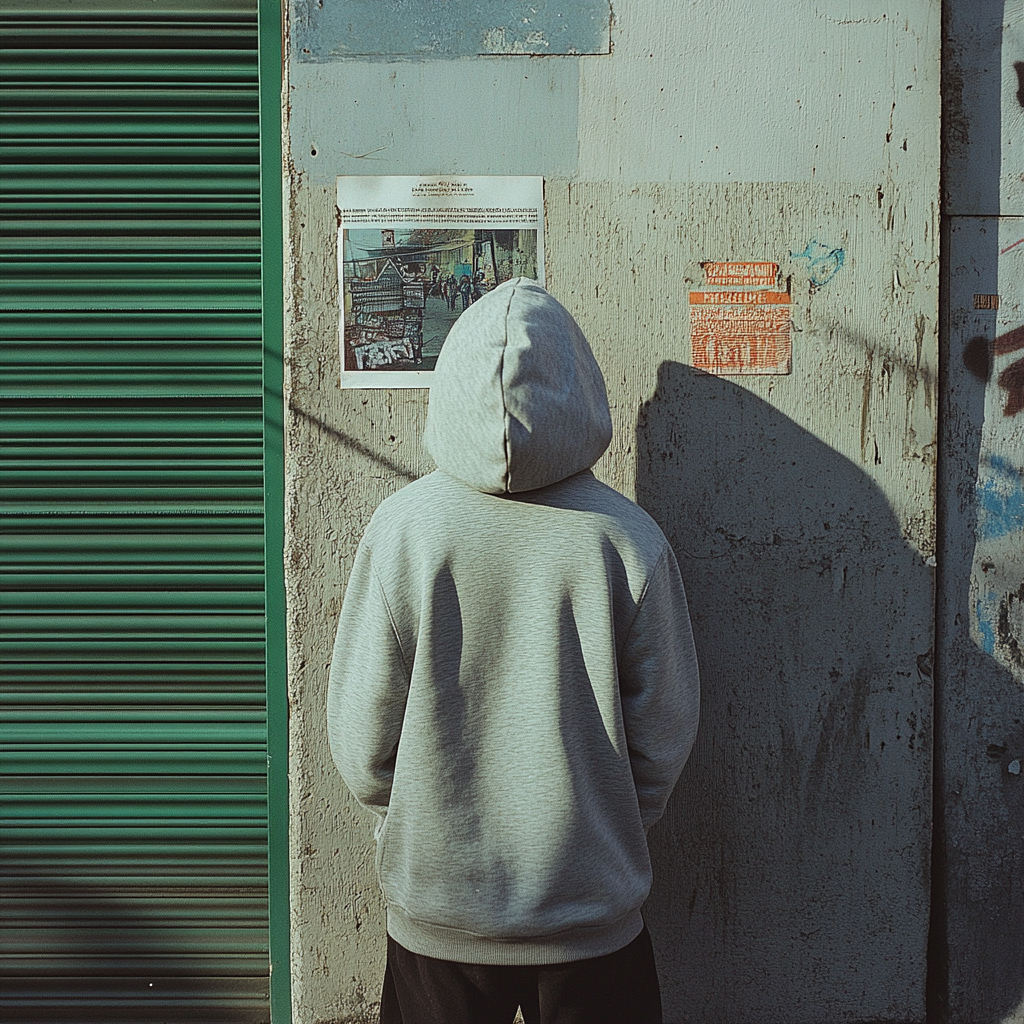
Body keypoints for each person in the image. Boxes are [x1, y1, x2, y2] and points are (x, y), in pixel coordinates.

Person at [327, 278, 700, 1024]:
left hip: (440, 914)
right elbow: (664, 732)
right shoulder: (627, 539)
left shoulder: (403, 531)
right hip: (591, 919)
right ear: (580, 388)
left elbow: (363, 737)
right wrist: (601, 827)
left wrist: (422, 823)